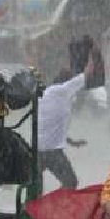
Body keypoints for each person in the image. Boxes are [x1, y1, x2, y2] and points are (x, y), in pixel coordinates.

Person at [37, 54, 94, 189]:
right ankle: (54, 206)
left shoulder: (47, 94)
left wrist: (71, 141)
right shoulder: (62, 91)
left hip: (38, 149)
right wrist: (92, 55)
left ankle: (33, 207)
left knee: (35, 186)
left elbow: (50, 126)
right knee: (71, 182)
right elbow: (88, 73)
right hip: (51, 152)